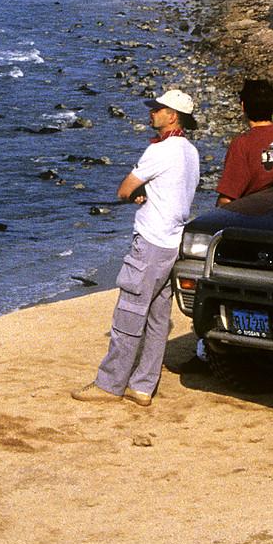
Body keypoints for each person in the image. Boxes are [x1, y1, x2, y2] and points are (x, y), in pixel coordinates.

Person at [72, 88, 201, 408]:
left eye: (158, 109)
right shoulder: (190, 151)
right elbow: (173, 191)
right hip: (174, 242)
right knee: (158, 318)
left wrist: (135, 194)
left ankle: (110, 383)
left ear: (172, 116)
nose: (152, 112)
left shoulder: (159, 151)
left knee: (129, 314)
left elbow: (124, 189)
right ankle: (143, 385)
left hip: (151, 242)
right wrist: (146, 193)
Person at [216, 78, 273, 205]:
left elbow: (228, 197)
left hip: (254, 216)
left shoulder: (242, 143)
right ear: (272, 106)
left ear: (243, 106)